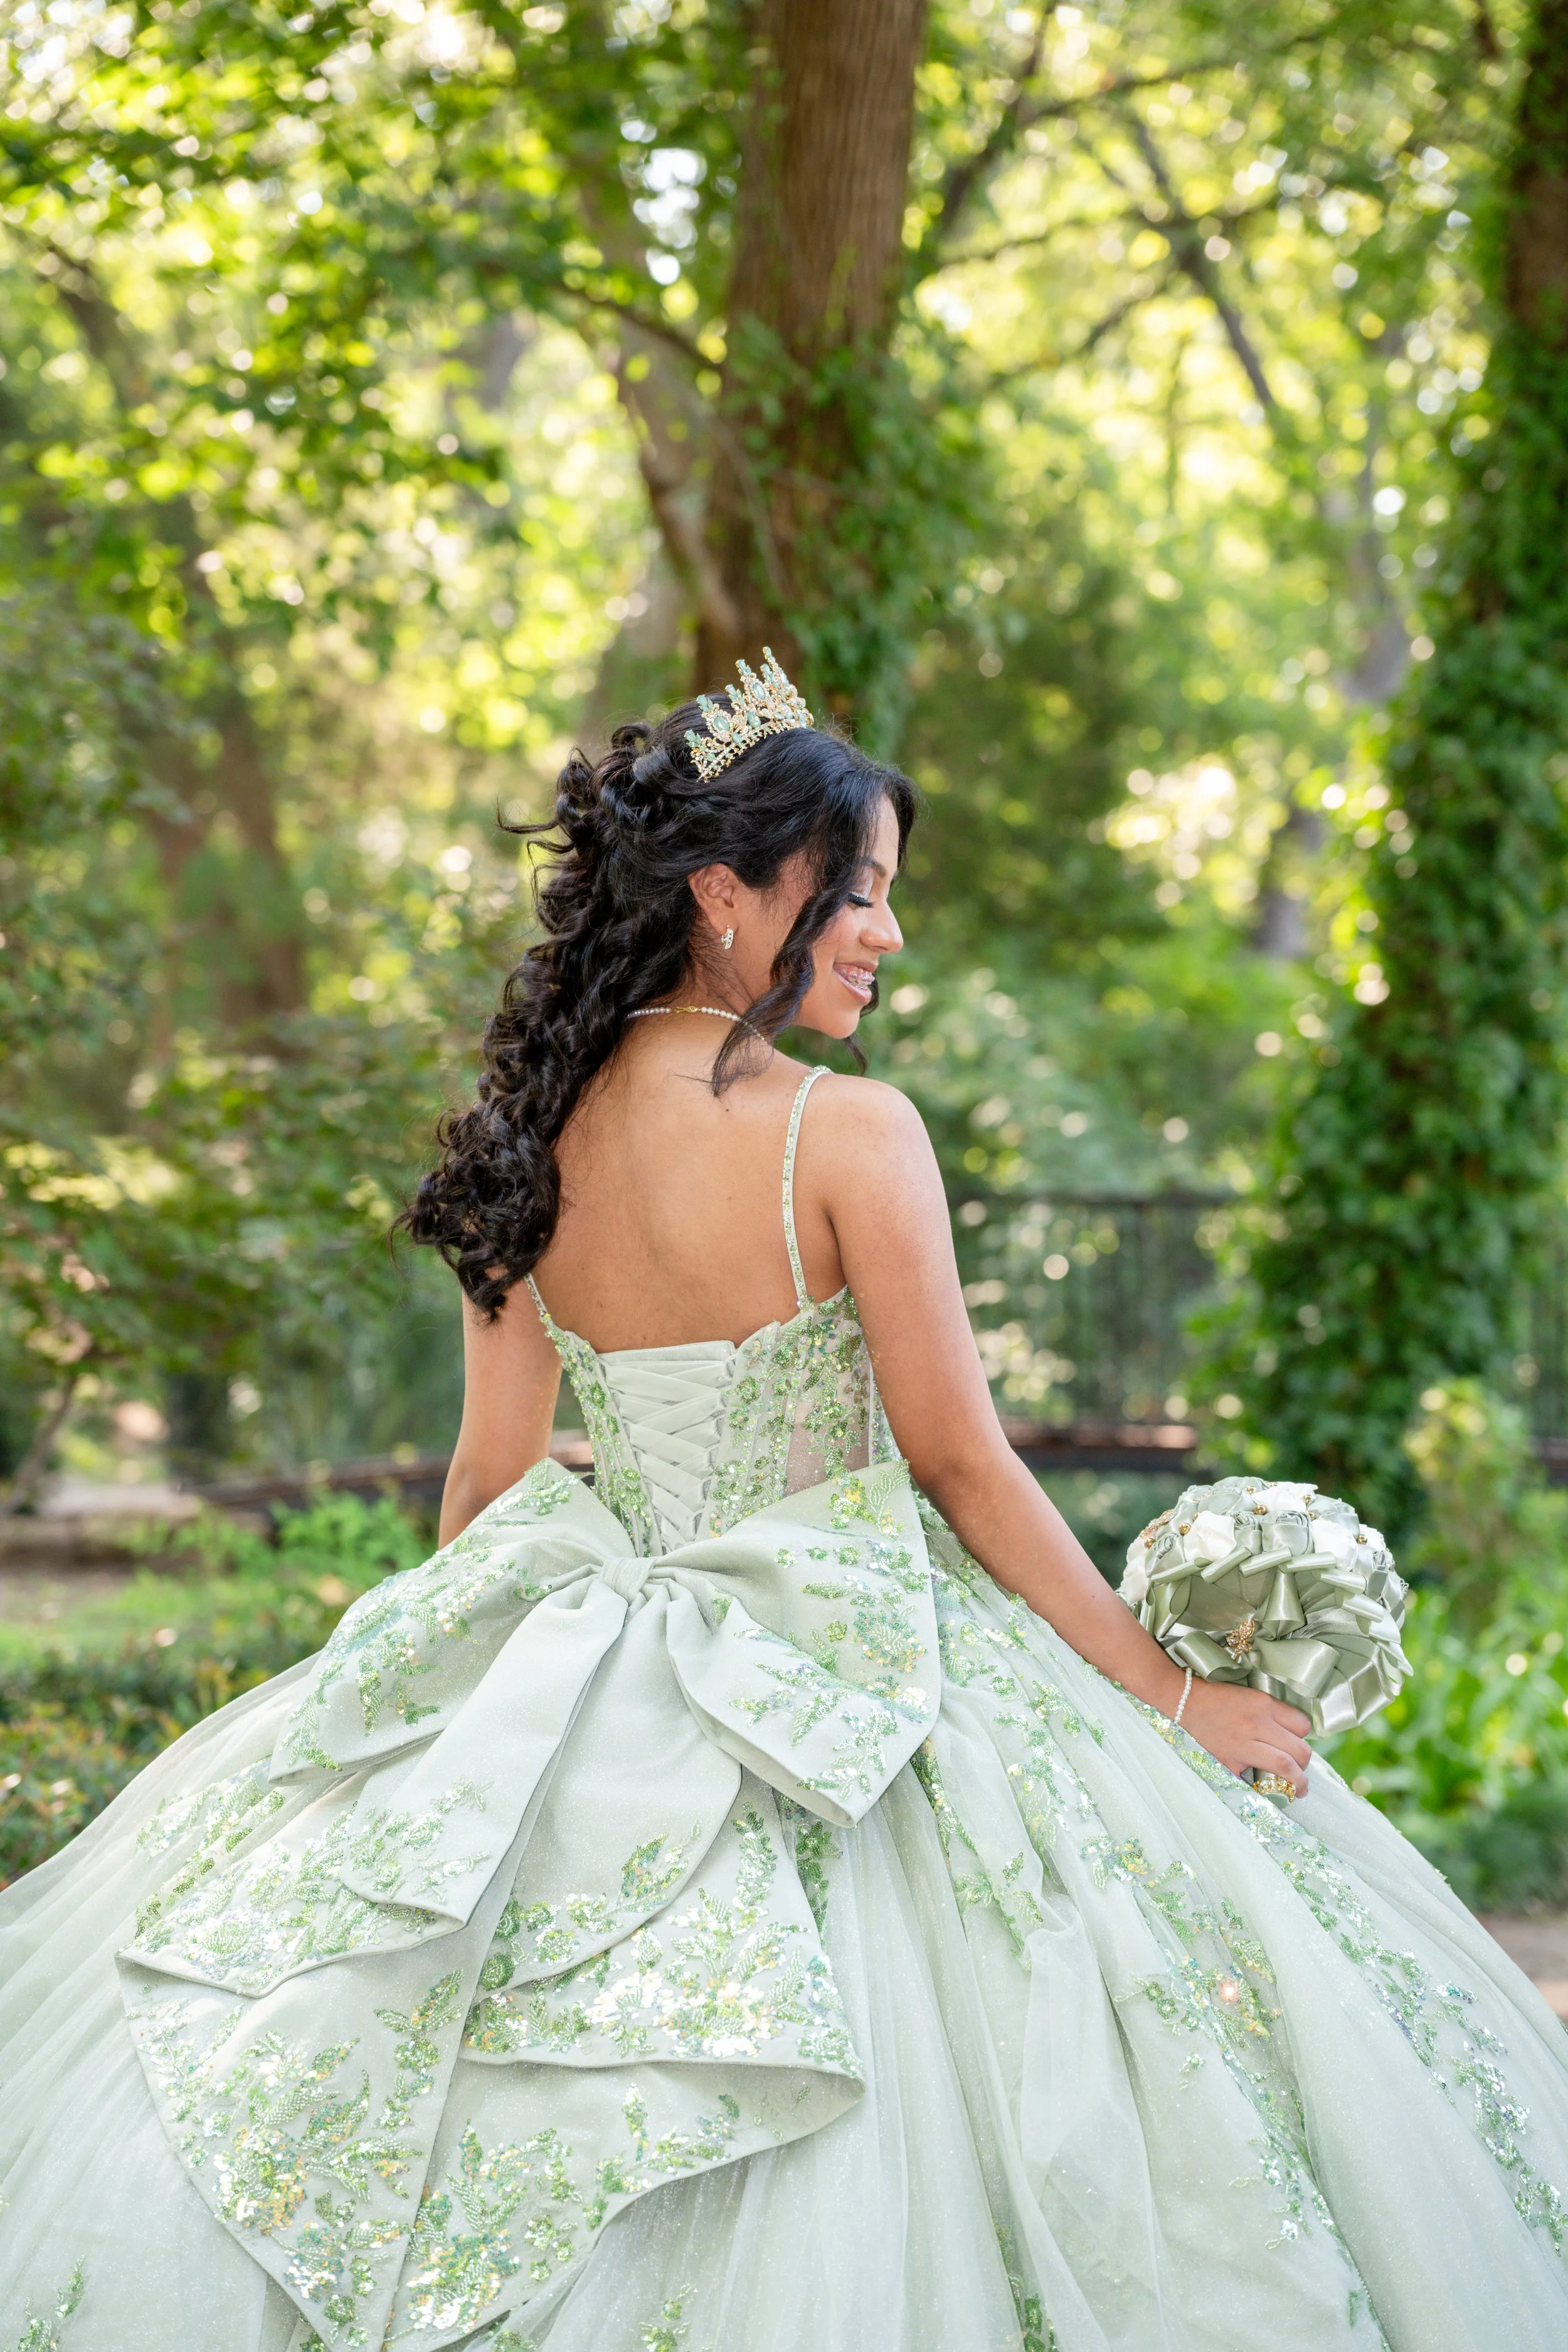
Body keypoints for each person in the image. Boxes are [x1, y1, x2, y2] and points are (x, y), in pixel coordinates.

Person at [4, 653, 1568, 2352]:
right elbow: (960, 1463)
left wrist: (453, 1742)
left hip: (586, 1624)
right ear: (724, 893)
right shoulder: (849, 1133)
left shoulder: (526, 1136)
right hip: (849, 1664)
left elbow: (488, 1477)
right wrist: (1171, 1692)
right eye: (861, 891)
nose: (887, 932)